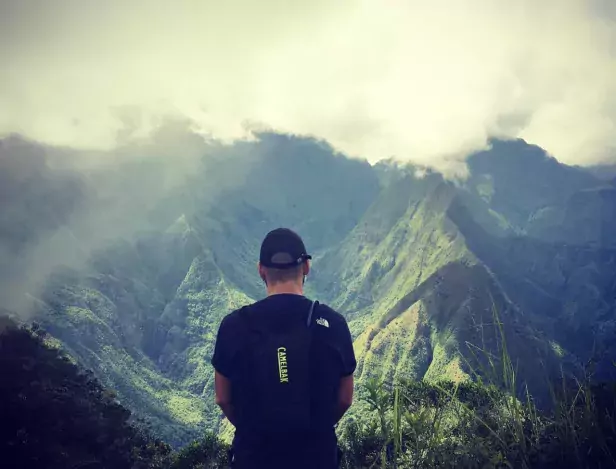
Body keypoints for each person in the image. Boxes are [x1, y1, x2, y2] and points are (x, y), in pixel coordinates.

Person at [211, 227, 356, 469]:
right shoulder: (334, 325)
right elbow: (345, 399)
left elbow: (223, 398)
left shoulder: (233, 326)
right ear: (306, 267)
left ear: (260, 270)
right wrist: (315, 429)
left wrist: (252, 431)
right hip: (316, 458)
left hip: (254, 458)